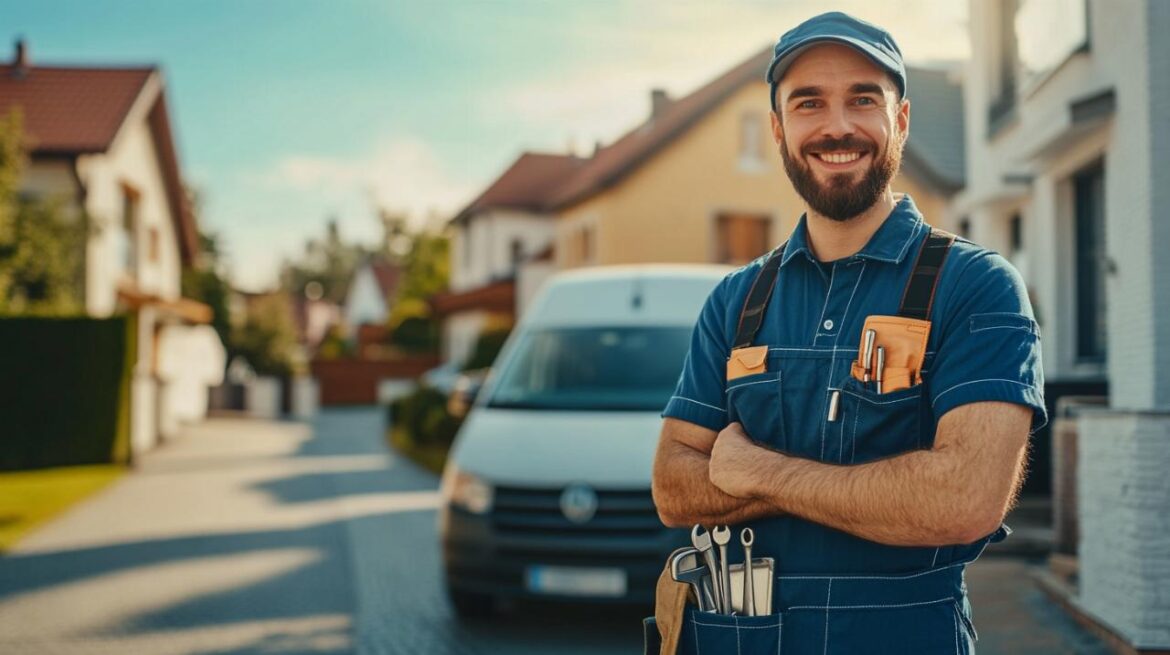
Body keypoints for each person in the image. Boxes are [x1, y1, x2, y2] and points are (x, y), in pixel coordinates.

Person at [651, 12, 1046, 654]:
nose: (837, 126)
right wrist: (880, 492)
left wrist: (758, 470)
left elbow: (966, 498)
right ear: (778, 129)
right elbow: (673, 486)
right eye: (809, 103)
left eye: (863, 99)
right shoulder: (736, 300)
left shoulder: (975, 285)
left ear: (902, 120)